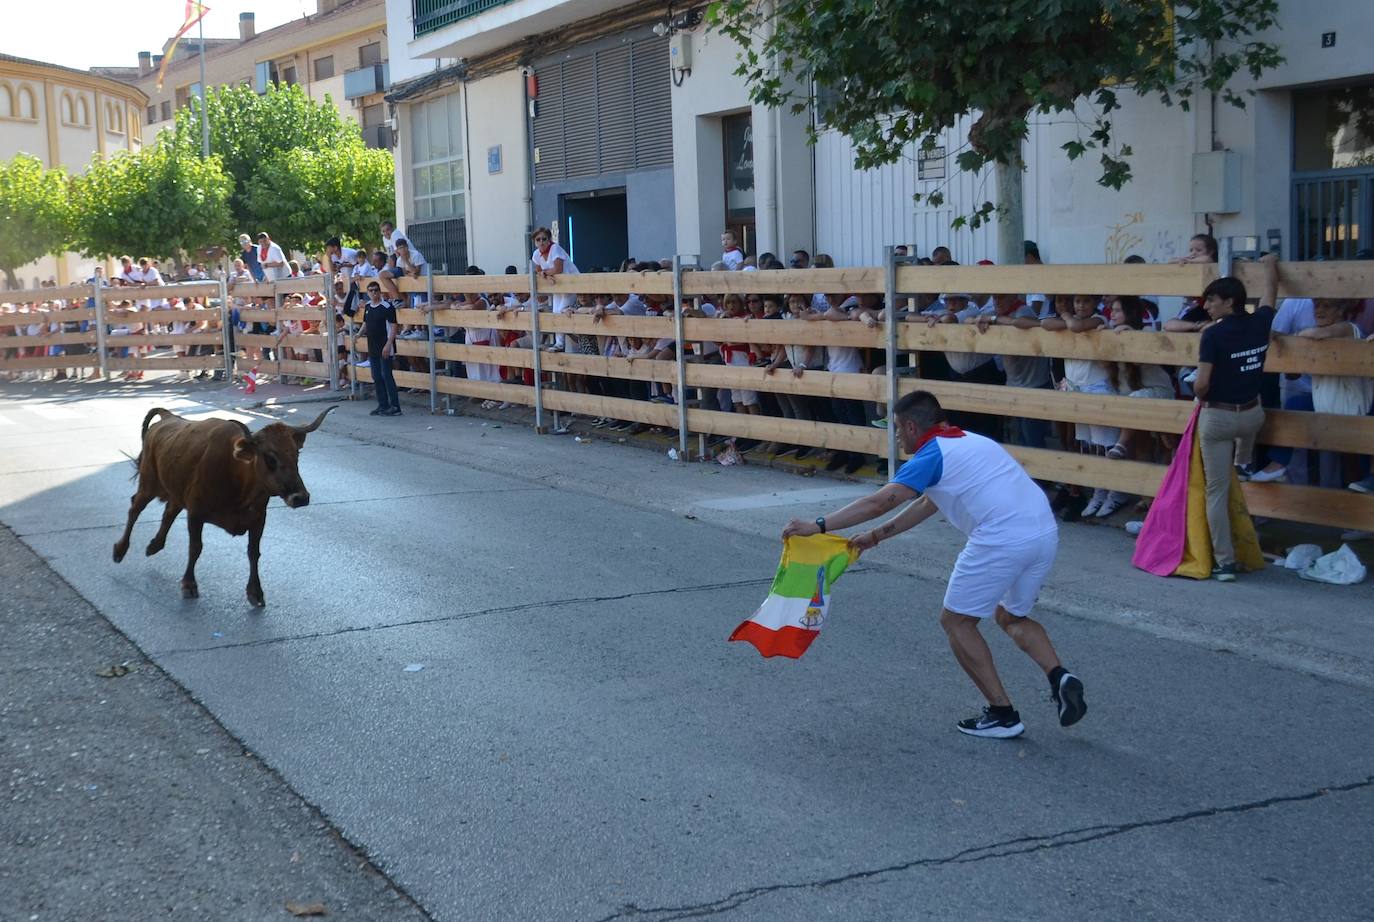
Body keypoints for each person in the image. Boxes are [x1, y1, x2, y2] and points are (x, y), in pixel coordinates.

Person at [782, 391, 1086, 740]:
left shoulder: (932, 454)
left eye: (897, 428)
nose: (896, 436)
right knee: (1010, 616)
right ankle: (1059, 676)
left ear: (912, 426)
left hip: (1002, 539)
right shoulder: (971, 440)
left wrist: (818, 525)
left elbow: (880, 501)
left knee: (956, 621)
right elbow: (930, 502)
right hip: (1044, 533)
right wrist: (877, 536)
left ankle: (1003, 714)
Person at [1191, 254, 1278, 581]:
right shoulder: (1259, 323)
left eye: (1212, 300)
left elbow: (1201, 384)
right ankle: (1243, 461)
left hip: (1220, 418)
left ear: (1229, 302)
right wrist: (1271, 266)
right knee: (1238, 461)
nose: (1207, 306)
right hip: (1253, 415)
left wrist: (1200, 394)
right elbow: (1271, 296)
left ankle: (1225, 561)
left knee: (1216, 490)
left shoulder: (1212, 335)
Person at [530, 227, 578, 352]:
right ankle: (559, 343)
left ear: (549, 239)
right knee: (556, 312)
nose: (541, 242)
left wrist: (545, 274)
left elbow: (558, 269)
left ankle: (561, 344)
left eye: (544, 239)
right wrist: (545, 274)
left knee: (561, 311)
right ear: (535, 242)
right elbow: (539, 270)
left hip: (570, 284)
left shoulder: (555, 248)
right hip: (557, 286)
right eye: (538, 239)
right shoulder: (536, 254)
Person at [361, 281, 401, 416]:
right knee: (376, 376)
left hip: (384, 345)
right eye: (371, 290)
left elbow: (394, 326)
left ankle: (395, 406)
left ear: (380, 291)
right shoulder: (368, 306)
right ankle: (382, 405)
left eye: (376, 290)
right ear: (368, 293)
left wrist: (389, 344)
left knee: (387, 376)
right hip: (372, 346)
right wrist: (359, 334)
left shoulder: (387, 306)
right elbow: (366, 323)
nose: (373, 293)